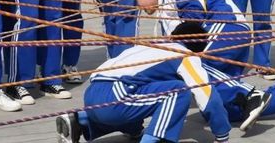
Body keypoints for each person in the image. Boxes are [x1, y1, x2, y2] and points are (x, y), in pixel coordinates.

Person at [126, 0, 275, 127]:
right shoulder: (163, 17)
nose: (137, 5)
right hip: (217, 39)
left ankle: (252, 96)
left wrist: (181, 42)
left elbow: (194, 10)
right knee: (220, 110)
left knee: (192, 64)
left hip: (228, 27)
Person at [56, 22, 232, 143]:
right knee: (178, 91)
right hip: (116, 96)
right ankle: (157, 139)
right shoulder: (185, 55)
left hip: (94, 94)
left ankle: (80, 121)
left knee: (148, 98)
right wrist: (222, 133)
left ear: (171, 37)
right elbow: (206, 95)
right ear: (198, 52)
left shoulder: (151, 46)